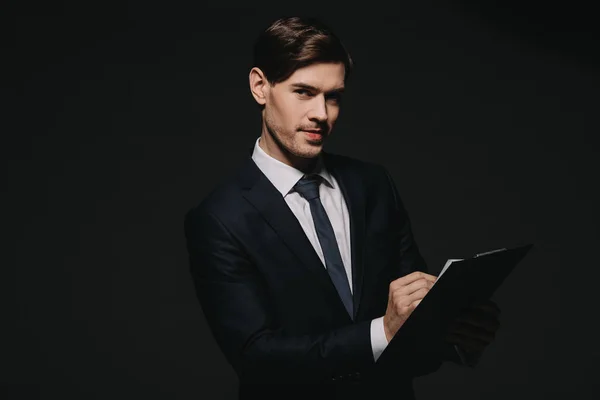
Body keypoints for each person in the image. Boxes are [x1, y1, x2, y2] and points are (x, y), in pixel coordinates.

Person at [184, 16, 500, 399]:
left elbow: (409, 326)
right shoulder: (219, 218)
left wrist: (454, 337)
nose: (322, 113)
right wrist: (381, 331)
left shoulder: (373, 184)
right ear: (260, 87)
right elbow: (257, 358)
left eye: (333, 96)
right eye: (304, 92)